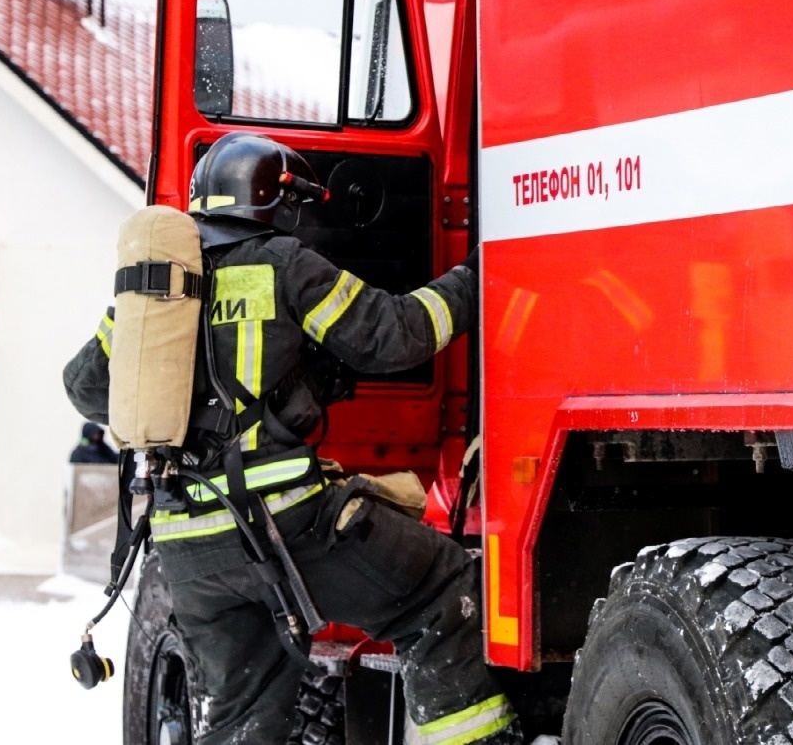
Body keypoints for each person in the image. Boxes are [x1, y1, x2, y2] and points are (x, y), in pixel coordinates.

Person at [62, 133, 519, 745]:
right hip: (282, 523)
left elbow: (87, 388)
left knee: (240, 719)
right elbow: (395, 336)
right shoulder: (282, 262)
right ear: (280, 203)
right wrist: (476, 276)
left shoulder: (155, 289)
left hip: (187, 548)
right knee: (437, 588)